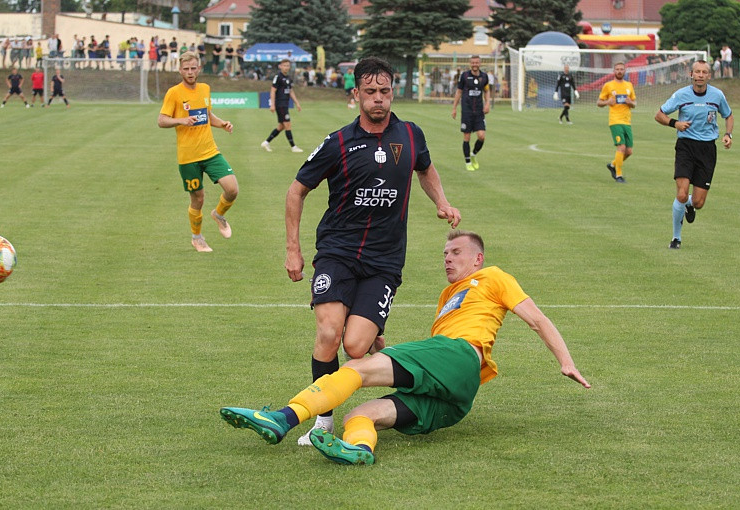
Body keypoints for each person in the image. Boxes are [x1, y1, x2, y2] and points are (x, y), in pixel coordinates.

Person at [221, 229, 590, 465]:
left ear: (477, 258)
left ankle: (283, 418)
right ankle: (359, 450)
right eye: (445, 253)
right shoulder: (450, 295)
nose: (448, 257)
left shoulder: (492, 276)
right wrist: (384, 347)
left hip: (458, 354)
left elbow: (537, 319)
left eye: (456, 252)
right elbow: (424, 364)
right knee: (361, 415)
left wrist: (566, 361)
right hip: (458, 394)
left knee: (356, 368)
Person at [282, 57, 462, 447]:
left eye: (384, 91)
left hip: (385, 259)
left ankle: (372, 329)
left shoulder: (412, 135)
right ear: (357, 95)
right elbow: (296, 190)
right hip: (337, 251)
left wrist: (441, 201)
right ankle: (323, 422)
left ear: (392, 91)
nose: (378, 99)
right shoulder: (338, 142)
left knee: (355, 347)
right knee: (329, 332)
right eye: (370, 92)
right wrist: (293, 250)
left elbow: (425, 169)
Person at [158, 51, 238, 253]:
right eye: (186, 69)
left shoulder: (205, 88)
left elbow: (207, 114)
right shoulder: (174, 93)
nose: (190, 72)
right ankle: (197, 238)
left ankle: (219, 215)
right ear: (180, 70)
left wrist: (222, 124)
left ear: (199, 68)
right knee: (198, 198)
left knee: (232, 189)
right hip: (188, 157)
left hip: (210, 151)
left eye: (193, 68)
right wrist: (181, 120)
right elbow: (161, 120)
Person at [654, 60, 733, 250]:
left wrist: (728, 134)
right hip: (686, 147)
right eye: (697, 71)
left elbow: (728, 115)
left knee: (698, 202)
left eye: (704, 72)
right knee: (681, 194)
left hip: (707, 150)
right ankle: (676, 238)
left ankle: (690, 203)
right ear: (691, 74)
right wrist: (675, 124)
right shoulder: (681, 94)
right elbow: (659, 115)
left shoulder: (717, 95)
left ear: (709, 76)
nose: (700, 75)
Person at [597, 62, 636, 183]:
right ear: (614, 71)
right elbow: (599, 102)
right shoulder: (608, 85)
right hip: (615, 121)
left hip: (627, 121)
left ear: (625, 71)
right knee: (621, 148)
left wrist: (630, 102)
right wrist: (607, 102)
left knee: (629, 151)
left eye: (621, 69)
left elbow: (634, 104)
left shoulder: (629, 85)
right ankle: (618, 175)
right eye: (617, 69)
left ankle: (613, 165)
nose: (619, 71)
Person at [451, 55, 490, 172]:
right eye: (473, 63)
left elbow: (487, 91)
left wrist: (487, 103)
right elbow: (458, 92)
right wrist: (454, 108)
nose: (475, 64)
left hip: (479, 112)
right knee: (467, 137)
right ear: (470, 63)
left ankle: (473, 154)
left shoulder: (484, 77)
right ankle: (467, 161)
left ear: (480, 63)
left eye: (477, 62)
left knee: (481, 136)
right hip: (467, 111)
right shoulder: (465, 76)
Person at [260, 59, 303, 153]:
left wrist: (297, 103)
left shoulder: (288, 78)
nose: (286, 67)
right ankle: (293, 147)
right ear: (280, 66)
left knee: (281, 126)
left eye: (288, 65)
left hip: (285, 104)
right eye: (284, 65)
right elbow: (272, 91)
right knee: (288, 125)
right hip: (280, 104)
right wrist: (272, 104)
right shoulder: (278, 77)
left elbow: (291, 91)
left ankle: (266, 142)